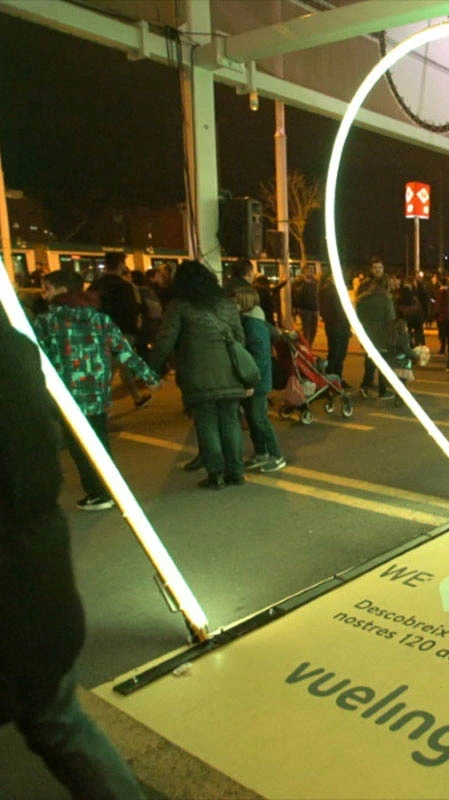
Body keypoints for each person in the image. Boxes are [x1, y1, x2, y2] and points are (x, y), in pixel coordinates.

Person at [1, 319, 147, 800]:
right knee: (60, 722)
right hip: (39, 568)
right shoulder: (16, 349)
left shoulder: (42, 329)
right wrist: (145, 370)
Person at [33, 270, 161, 511]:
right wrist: (150, 377)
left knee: (79, 447)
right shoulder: (99, 319)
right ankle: (110, 489)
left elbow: (36, 357)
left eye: (47, 288)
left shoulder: (47, 321)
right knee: (100, 441)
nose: (44, 293)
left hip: (67, 395)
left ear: (63, 290)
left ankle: (98, 493)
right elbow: (124, 351)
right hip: (98, 393)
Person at [150, 260, 248, 490]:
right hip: (230, 373)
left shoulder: (179, 306)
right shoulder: (226, 304)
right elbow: (240, 339)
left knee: (207, 424)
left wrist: (151, 368)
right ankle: (236, 471)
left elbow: (165, 341)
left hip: (196, 374)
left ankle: (216, 475)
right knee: (231, 421)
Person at [232, 285, 287, 473]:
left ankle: (276, 455)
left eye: (236, 301)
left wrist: (251, 383)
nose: (233, 304)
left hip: (257, 381)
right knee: (253, 418)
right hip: (255, 379)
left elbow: (259, 358)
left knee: (259, 419)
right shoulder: (250, 321)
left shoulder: (253, 325)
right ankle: (262, 453)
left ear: (245, 303)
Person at [89, 251, 150, 408]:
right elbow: (132, 310)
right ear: (121, 264)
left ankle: (137, 398)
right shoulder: (125, 286)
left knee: (121, 366)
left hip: (99, 331)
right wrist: (135, 331)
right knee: (111, 369)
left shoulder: (95, 285)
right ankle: (98, 406)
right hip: (121, 332)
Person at [355, 262, 397, 400]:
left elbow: (358, 310)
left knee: (369, 359)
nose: (378, 270)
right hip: (381, 331)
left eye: (380, 267)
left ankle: (365, 386)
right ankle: (382, 390)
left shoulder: (363, 293)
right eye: (375, 267)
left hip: (368, 330)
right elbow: (390, 317)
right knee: (383, 360)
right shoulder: (384, 297)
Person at [318, 271, 351, 384]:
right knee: (336, 354)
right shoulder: (329, 290)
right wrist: (338, 322)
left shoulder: (336, 289)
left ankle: (337, 378)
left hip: (340, 326)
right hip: (336, 327)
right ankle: (332, 379)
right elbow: (329, 311)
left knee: (340, 354)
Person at [293, 266, 319, 345]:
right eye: (307, 271)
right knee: (306, 330)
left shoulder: (315, 281)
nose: (309, 273)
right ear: (303, 272)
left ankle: (309, 345)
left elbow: (317, 294)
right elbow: (296, 294)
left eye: (310, 271)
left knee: (314, 330)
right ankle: (305, 346)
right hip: (305, 309)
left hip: (314, 308)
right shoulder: (299, 282)